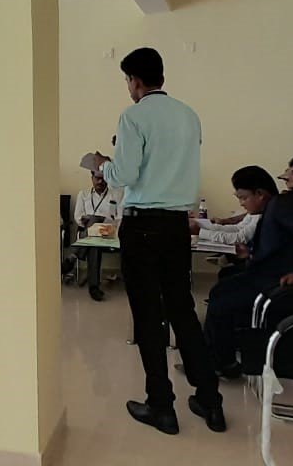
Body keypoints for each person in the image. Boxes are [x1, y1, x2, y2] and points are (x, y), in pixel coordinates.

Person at [92, 47, 225, 435]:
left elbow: (124, 174)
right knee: (182, 310)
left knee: (149, 317)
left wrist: (102, 165)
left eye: (127, 80)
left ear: (134, 81)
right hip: (177, 226)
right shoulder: (189, 115)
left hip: (143, 226)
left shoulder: (133, 116)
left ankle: (161, 407)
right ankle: (210, 401)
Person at [202, 166, 293, 378]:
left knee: (221, 301)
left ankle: (222, 363)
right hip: (266, 271)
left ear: (260, 194)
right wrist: (249, 254)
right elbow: (276, 243)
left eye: (244, 197)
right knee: (220, 290)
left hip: (277, 278)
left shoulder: (282, 206)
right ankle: (216, 359)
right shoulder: (272, 207)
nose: (242, 203)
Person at [73, 171, 124, 301]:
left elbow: (120, 217)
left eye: (103, 178)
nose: (100, 181)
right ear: (92, 178)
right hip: (91, 234)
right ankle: (94, 288)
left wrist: (103, 222)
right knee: (94, 241)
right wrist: (88, 221)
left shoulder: (116, 195)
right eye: (97, 178)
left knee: (94, 226)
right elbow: (78, 217)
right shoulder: (83, 194)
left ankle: (73, 256)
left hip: (109, 235)